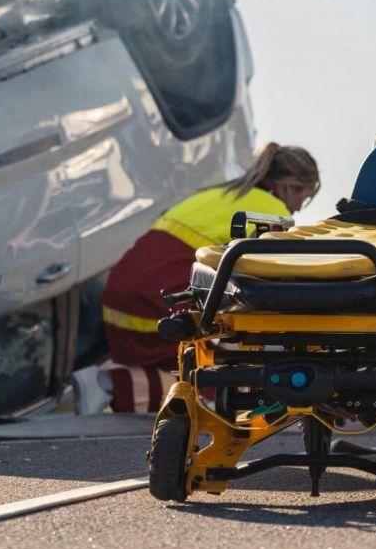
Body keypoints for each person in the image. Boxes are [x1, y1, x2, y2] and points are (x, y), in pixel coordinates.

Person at [72, 143, 320, 414]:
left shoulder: (215, 195)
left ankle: (107, 383)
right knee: (224, 366)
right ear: (291, 187)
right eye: (304, 199)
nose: (298, 209)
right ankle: (109, 385)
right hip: (160, 303)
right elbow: (270, 283)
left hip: (119, 299)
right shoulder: (272, 214)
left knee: (186, 363)